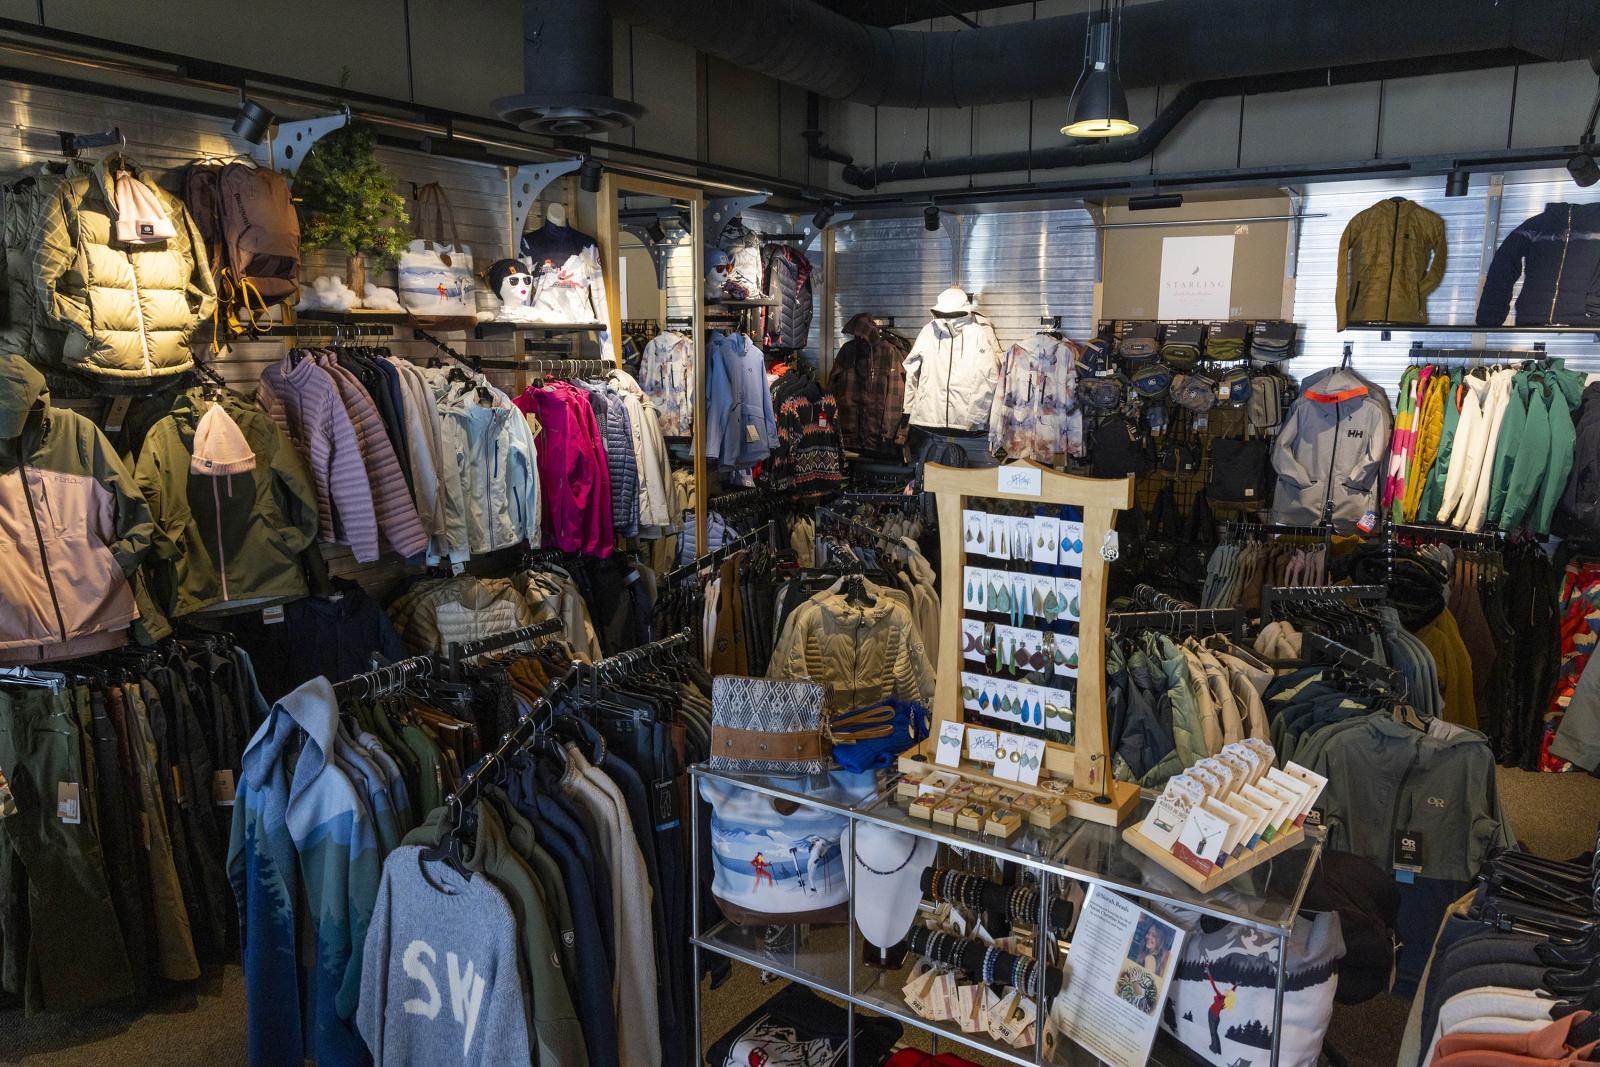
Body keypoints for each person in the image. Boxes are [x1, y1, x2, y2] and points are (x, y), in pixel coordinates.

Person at [1205, 967, 1237, 1055]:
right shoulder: (1224, 1000)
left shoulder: (1221, 998)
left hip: (1212, 1015)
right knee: (1214, 1032)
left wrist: (1208, 973)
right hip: (1216, 1016)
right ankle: (1217, 1049)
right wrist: (1235, 986)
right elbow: (1231, 992)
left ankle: (1215, 1049)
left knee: (1213, 1032)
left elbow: (1213, 985)